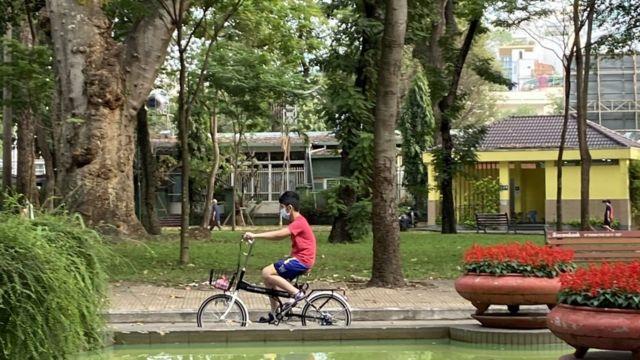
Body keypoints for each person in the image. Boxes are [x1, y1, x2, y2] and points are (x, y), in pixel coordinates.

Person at [243, 191, 316, 323]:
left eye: (282, 207)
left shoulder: (299, 222)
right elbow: (280, 238)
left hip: (302, 261)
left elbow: (279, 234)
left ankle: (296, 293)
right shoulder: (297, 222)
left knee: (266, 272)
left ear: (289, 208)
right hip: (299, 259)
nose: (282, 211)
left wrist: (255, 235)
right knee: (268, 279)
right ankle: (274, 313)